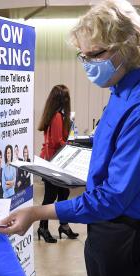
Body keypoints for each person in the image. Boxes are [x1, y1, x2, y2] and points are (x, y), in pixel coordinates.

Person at [0, 1, 140, 276]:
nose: (88, 65)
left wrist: (36, 213)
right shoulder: (122, 87)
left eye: (95, 54)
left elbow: (113, 197)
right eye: (82, 56)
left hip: (133, 235)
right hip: (107, 226)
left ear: (129, 45)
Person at [37, 84, 78, 243]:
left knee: (63, 194)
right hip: (54, 163)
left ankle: (64, 226)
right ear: (63, 99)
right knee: (50, 197)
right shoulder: (57, 117)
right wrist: (72, 144)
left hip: (53, 161)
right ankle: (43, 227)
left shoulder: (54, 115)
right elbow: (57, 141)